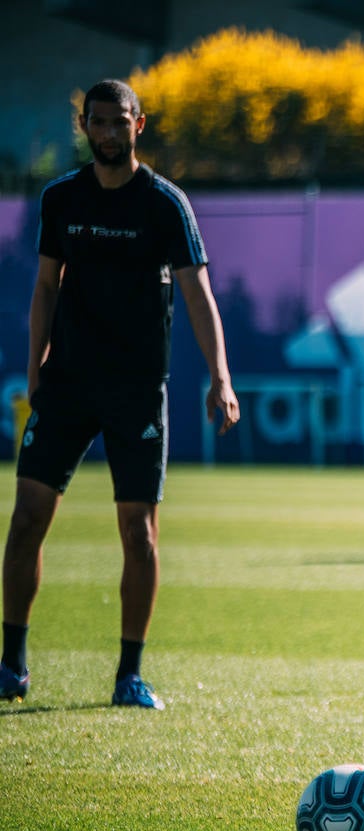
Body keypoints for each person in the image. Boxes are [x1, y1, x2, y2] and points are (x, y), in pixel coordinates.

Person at [0, 80, 239, 710]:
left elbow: (197, 294)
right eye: (98, 122)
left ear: (140, 125)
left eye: (120, 122)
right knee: (26, 521)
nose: (108, 133)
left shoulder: (165, 205)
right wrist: (35, 366)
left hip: (136, 389)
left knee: (139, 533)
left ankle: (129, 674)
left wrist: (221, 375)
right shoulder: (61, 198)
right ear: (83, 125)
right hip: (68, 384)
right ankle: (12, 665)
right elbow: (47, 287)